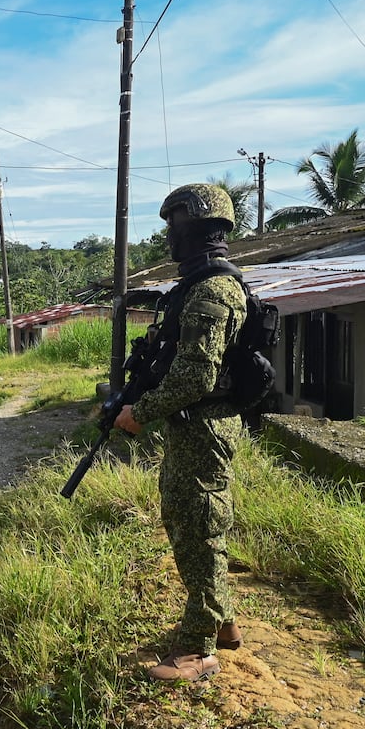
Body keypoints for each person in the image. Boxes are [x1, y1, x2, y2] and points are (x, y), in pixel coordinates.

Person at [115, 183, 248, 682]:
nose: (168, 236)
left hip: (205, 427)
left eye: (173, 225)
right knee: (185, 518)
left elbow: (197, 376)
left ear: (195, 227)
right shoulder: (195, 287)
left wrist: (141, 412)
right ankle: (223, 621)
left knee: (201, 528)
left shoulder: (215, 289)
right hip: (192, 427)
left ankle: (197, 649)